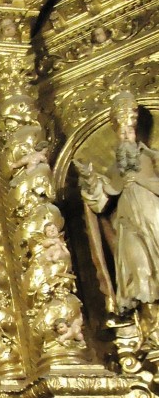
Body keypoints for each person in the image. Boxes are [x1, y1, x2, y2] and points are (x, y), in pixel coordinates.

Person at [77, 91, 159, 313]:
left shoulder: (152, 158)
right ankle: (149, 321)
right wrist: (90, 180)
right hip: (127, 223)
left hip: (153, 214)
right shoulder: (114, 171)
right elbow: (100, 202)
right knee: (138, 266)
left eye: (129, 131)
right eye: (121, 132)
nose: (125, 136)